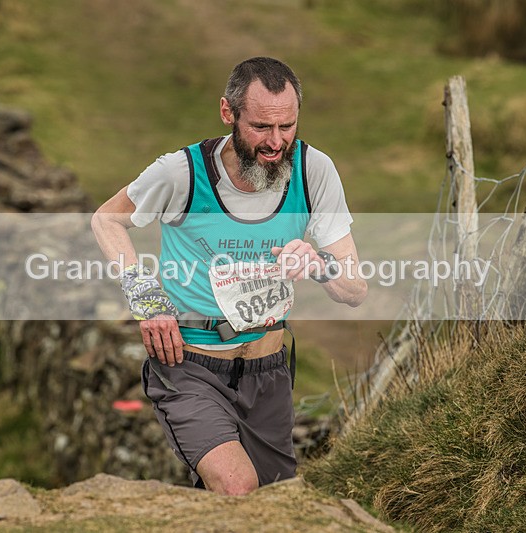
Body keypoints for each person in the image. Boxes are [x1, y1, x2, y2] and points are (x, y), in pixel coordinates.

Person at [92, 57, 366, 495]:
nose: (275, 142)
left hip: (268, 372)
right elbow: (107, 220)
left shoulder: (314, 171)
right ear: (228, 112)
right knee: (237, 486)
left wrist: (317, 264)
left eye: (287, 126)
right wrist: (147, 298)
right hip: (190, 367)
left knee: (274, 504)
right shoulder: (182, 173)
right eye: (260, 127)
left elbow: (354, 288)